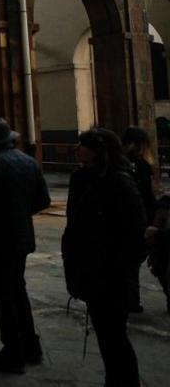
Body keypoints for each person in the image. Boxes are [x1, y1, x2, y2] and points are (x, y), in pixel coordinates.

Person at [64, 128, 145, 386]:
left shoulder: (119, 181)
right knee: (107, 336)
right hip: (93, 272)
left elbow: (135, 232)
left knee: (114, 338)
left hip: (111, 275)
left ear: (98, 150)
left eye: (82, 145)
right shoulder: (86, 178)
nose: (77, 149)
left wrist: (117, 267)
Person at [0, 117, 50, 374]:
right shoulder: (29, 162)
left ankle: (13, 353)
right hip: (22, 236)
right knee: (18, 290)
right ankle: (32, 346)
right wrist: (20, 213)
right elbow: (43, 200)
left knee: (4, 296)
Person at [121, 126, 156, 313]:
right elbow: (148, 196)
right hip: (140, 220)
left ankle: (130, 300)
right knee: (135, 263)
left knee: (129, 265)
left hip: (126, 221)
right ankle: (131, 301)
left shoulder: (118, 164)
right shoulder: (141, 166)